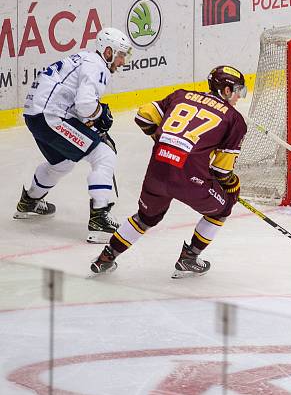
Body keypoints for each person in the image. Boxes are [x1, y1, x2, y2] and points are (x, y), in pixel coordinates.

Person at [90, 66, 248, 277]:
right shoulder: (234, 119)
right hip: (190, 181)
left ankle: (105, 258)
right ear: (226, 90)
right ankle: (189, 258)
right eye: (237, 90)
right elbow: (221, 170)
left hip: (157, 171)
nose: (239, 96)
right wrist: (232, 186)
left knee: (145, 218)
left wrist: (164, 142)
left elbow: (143, 117)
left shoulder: (181, 95)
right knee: (222, 208)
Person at [14, 27, 132, 243]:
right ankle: (99, 219)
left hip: (36, 115)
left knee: (62, 162)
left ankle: (29, 201)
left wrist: (95, 123)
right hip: (51, 117)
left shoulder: (84, 58)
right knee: (104, 155)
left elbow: (78, 106)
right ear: (108, 51)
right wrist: (99, 116)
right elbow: (86, 105)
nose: (122, 61)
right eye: (121, 54)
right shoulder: (97, 67)